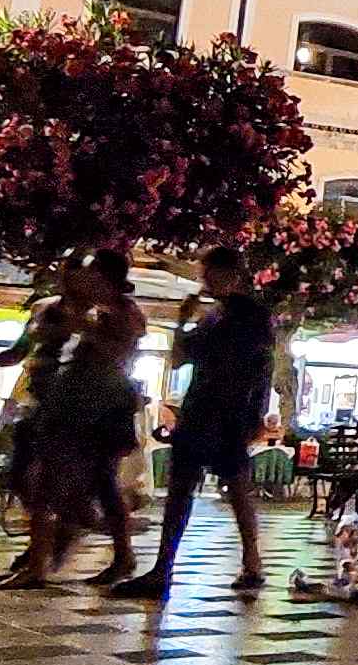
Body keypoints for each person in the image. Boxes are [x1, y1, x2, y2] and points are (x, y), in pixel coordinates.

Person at [116, 246, 275, 599]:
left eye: (208, 274)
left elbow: (260, 368)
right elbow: (178, 359)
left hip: (224, 411)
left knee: (226, 487)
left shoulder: (244, 316)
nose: (203, 281)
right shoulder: (217, 315)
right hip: (206, 409)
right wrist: (182, 321)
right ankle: (173, 566)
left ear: (229, 274)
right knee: (199, 487)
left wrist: (255, 414)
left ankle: (244, 563)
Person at [0, 249, 147, 589]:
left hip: (96, 406)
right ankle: (88, 552)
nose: (85, 278)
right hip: (73, 402)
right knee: (86, 483)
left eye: (92, 273)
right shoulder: (81, 310)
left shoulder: (118, 313)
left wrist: (83, 328)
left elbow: (115, 354)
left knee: (56, 480)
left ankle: (43, 560)